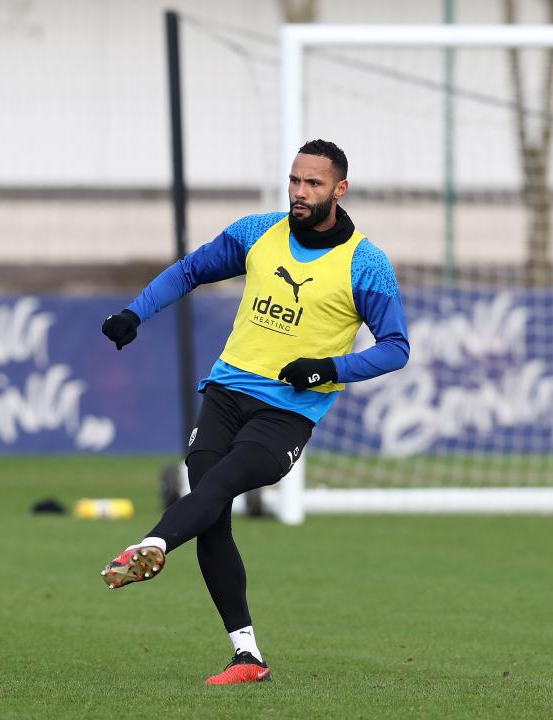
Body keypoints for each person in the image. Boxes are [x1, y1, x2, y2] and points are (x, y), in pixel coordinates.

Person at [99, 139, 410, 685]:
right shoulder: (257, 233)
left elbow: (395, 347)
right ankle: (247, 656)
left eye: (312, 184)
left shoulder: (366, 262)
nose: (299, 192)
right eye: (294, 180)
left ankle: (151, 544)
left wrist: (326, 368)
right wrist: (135, 312)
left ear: (339, 189)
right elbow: (190, 270)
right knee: (211, 509)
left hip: (286, 414)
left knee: (215, 488)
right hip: (225, 393)